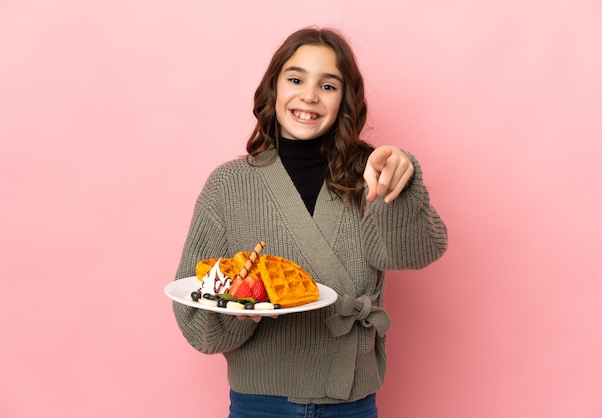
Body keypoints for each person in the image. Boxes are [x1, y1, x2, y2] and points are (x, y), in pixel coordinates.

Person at [172, 26, 448, 418]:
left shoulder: (372, 172)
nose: (309, 95)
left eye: (328, 85)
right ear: (274, 88)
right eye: (296, 78)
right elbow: (195, 319)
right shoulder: (228, 185)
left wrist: (399, 184)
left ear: (345, 100)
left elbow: (413, 253)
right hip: (260, 403)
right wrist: (239, 313)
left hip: (350, 400)